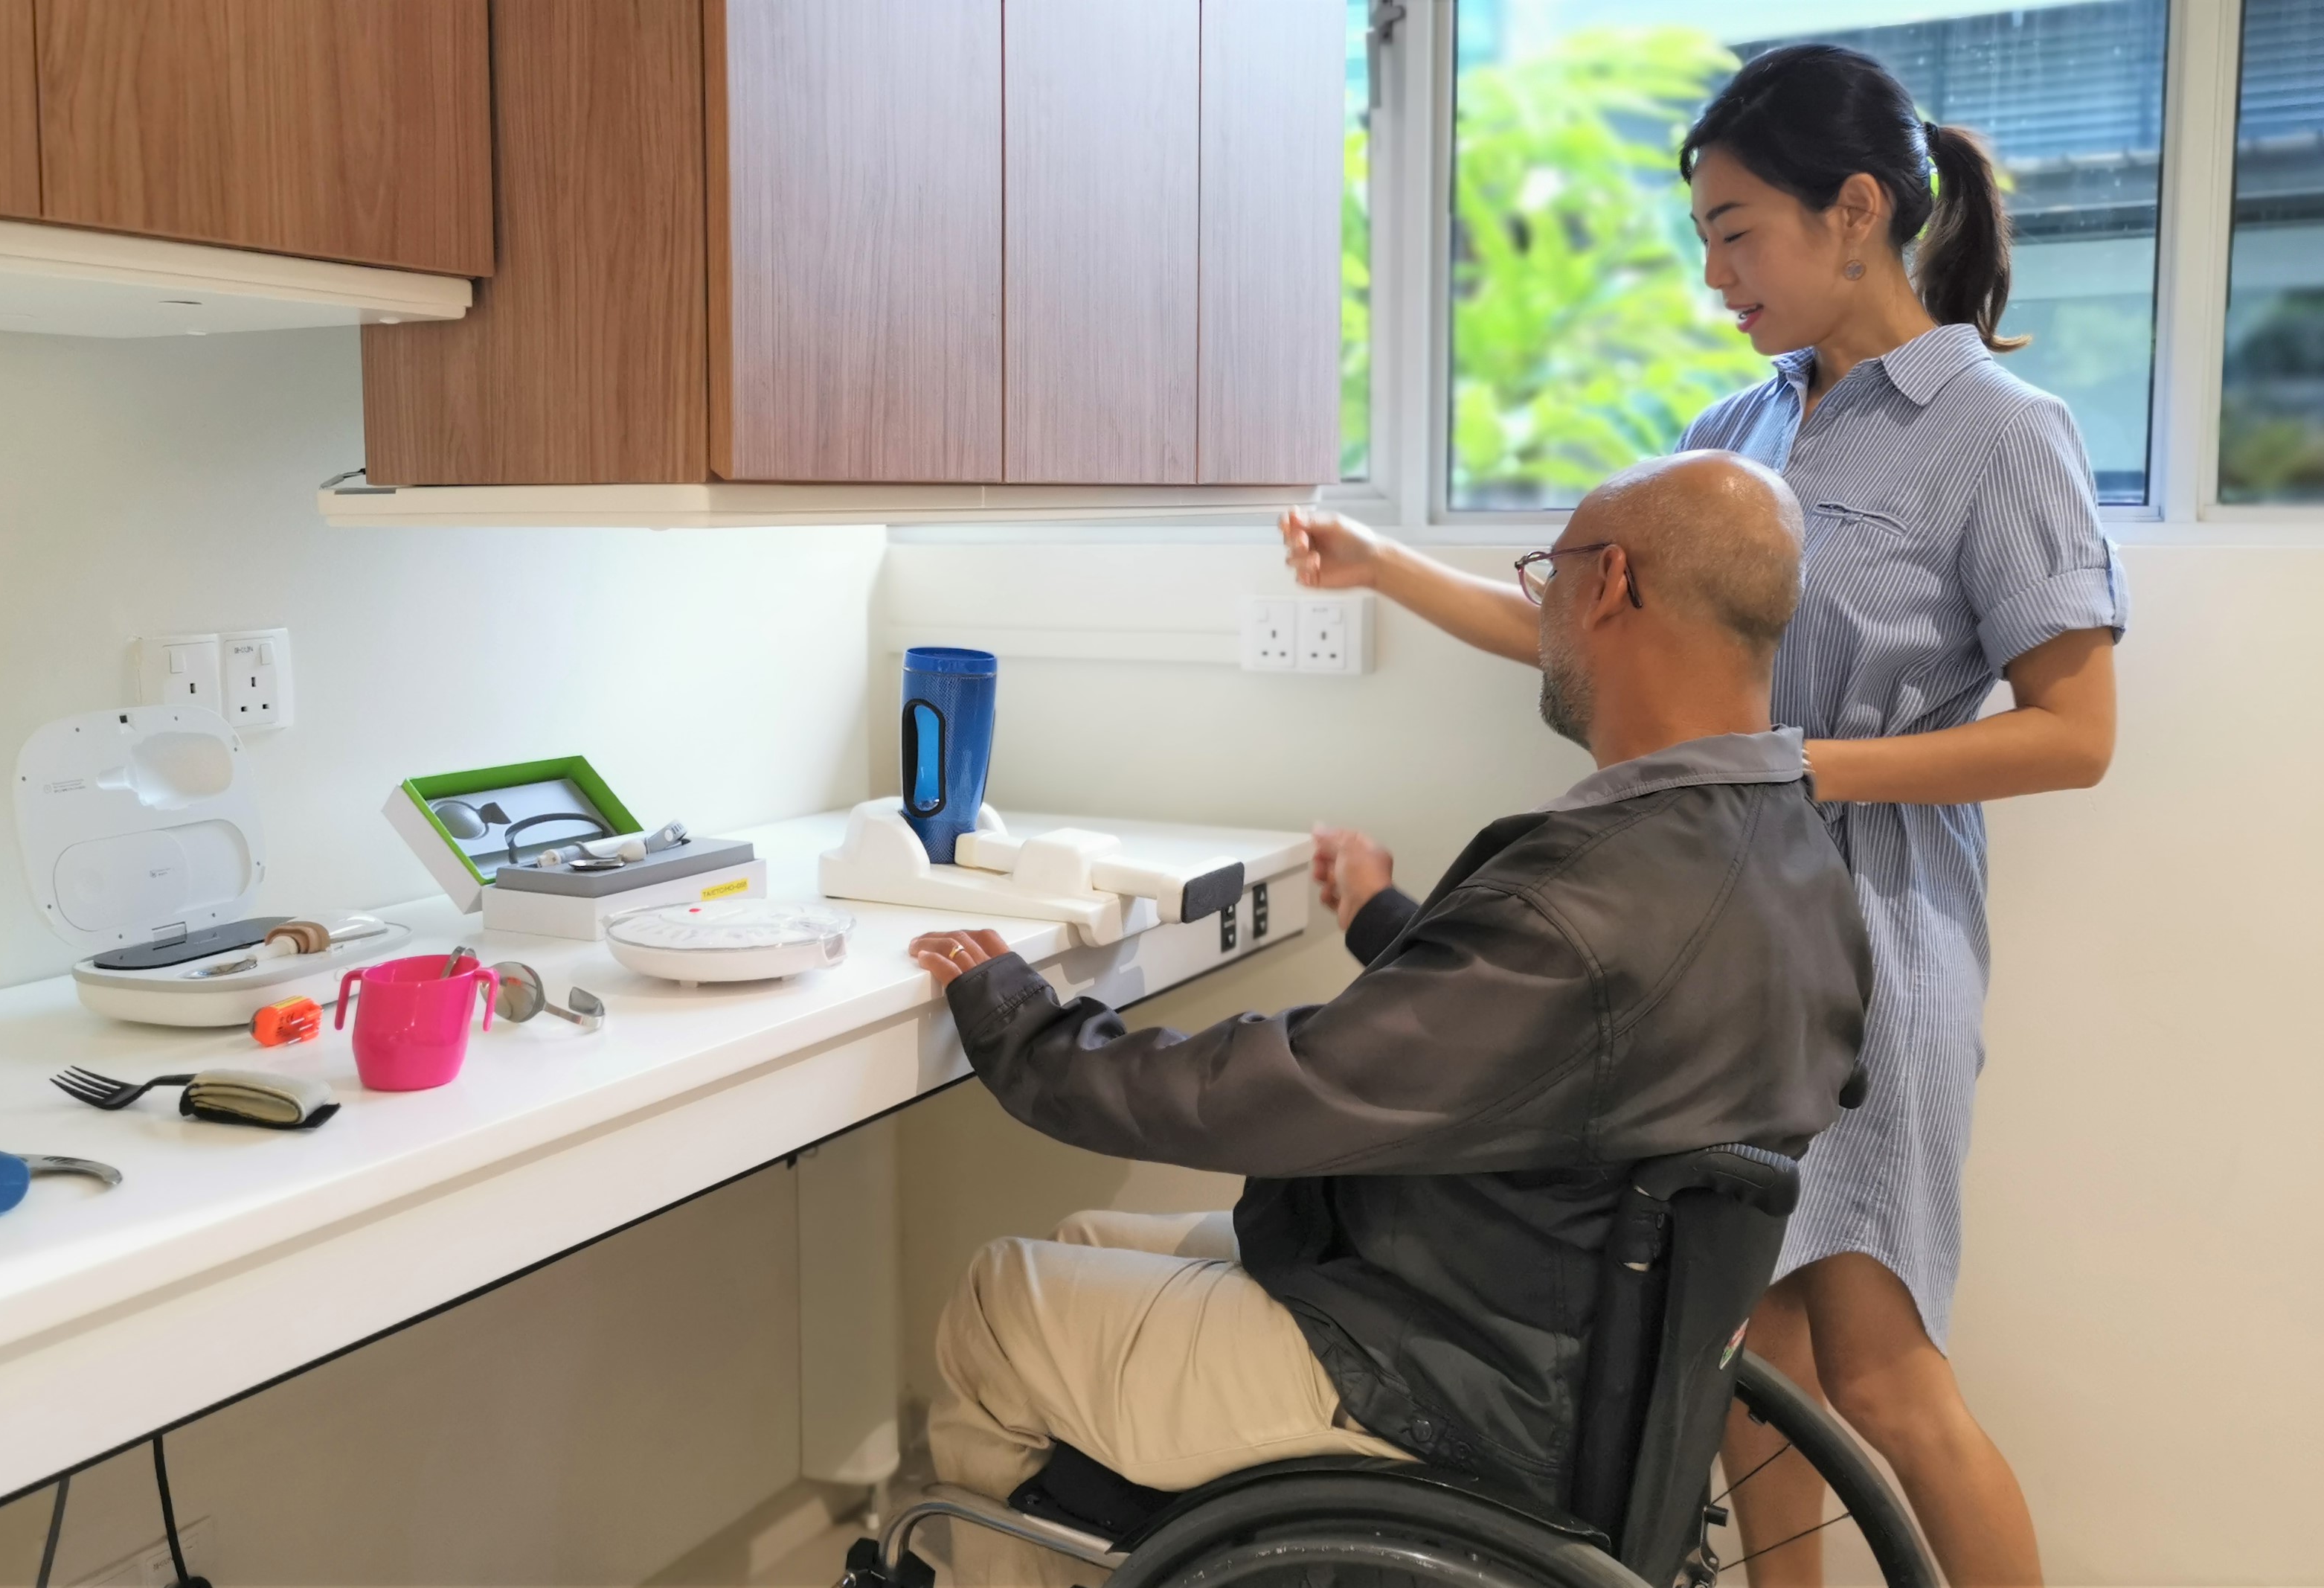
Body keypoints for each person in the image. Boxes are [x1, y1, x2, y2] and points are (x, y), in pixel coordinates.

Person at [1280, 45, 2126, 1587]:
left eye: (1738, 232)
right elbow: (1598, 624)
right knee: (1746, 1360)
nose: (1716, 273)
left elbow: (2073, 735)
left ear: (1855, 210)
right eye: (1704, 240)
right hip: (1713, 934)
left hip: (1870, 952)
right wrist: (1382, 565)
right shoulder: (1735, 422)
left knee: (1880, 1373)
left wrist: (1797, 767)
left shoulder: (1999, 429)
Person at [908, 452, 1871, 1587]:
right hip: (1563, 1348)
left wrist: (1027, 1029)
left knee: (996, 1302)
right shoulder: (1795, 862)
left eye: (1545, 572)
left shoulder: (1595, 894)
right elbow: (1567, 1037)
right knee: (1078, 1245)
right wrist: (1386, 918)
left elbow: (1281, 1093)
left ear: (1610, 582)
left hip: (1445, 1380)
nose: (1542, 605)